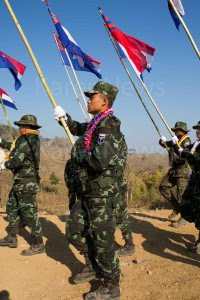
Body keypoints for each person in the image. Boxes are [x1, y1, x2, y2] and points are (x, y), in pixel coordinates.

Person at [54, 81, 125, 300]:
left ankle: (111, 285)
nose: (88, 99)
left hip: (102, 195)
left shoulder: (107, 126)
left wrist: (77, 156)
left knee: (103, 242)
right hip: (89, 192)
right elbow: (79, 129)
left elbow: (99, 161)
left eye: (92, 97)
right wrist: (65, 119)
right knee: (74, 230)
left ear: (104, 101)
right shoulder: (96, 123)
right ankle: (93, 265)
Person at [0, 115, 45, 256]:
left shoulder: (26, 140)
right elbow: (14, 148)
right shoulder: (28, 139)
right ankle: (12, 237)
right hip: (22, 181)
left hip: (26, 182)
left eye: (21, 126)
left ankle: (38, 244)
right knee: (12, 206)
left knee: (29, 213)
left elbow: (16, 160)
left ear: (27, 127)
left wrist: (4, 164)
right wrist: (2, 143)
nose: (19, 128)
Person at [174, 121, 200, 254]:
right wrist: (170, 143)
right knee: (185, 205)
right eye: (197, 129)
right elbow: (186, 150)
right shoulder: (196, 143)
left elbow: (195, 160)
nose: (197, 131)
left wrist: (183, 153)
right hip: (195, 181)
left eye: (199, 129)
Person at [159, 121, 191, 228]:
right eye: (176, 130)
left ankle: (184, 217)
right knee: (163, 187)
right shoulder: (175, 140)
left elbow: (184, 157)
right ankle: (176, 207)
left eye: (178, 130)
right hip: (174, 171)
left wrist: (177, 146)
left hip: (183, 172)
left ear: (182, 131)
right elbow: (165, 145)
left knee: (182, 196)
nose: (176, 131)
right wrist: (162, 141)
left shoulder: (186, 141)